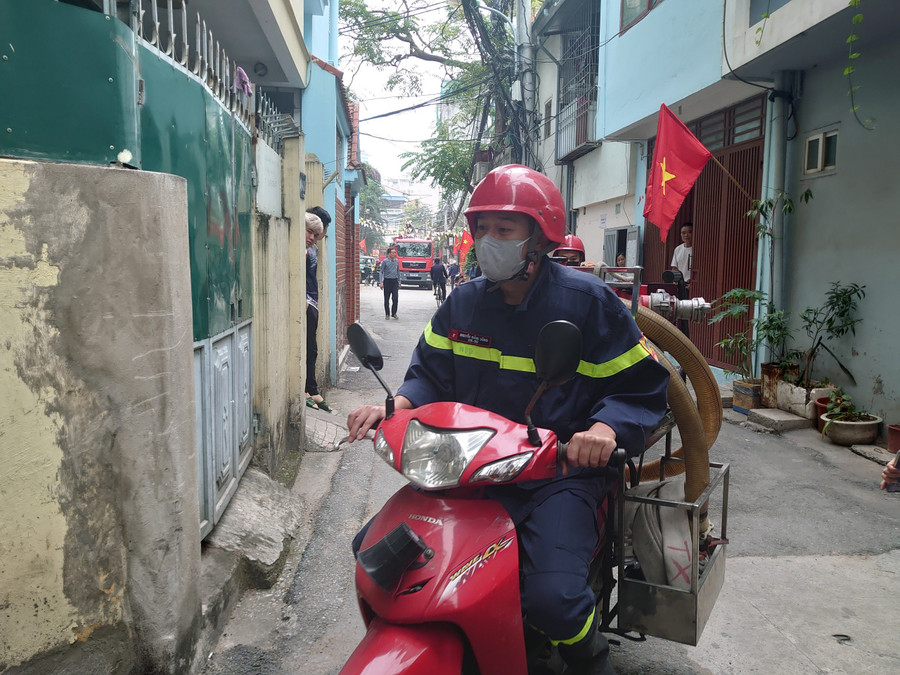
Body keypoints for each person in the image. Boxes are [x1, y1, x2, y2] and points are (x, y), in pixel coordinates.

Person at [348, 164, 669, 675]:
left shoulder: (588, 303)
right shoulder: (463, 304)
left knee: (553, 598)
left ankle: (592, 664)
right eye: (482, 229)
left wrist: (604, 430)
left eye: (505, 230)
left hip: (559, 474)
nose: (488, 241)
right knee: (375, 553)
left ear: (538, 240)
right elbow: (428, 374)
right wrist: (397, 405)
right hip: (470, 471)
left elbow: (644, 386)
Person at [304, 211, 331, 412]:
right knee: (307, 347)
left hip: (312, 302)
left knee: (312, 348)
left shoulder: (312, 249)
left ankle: (311, 388)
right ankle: (307, 389)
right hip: (306, 302)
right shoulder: (303, 250)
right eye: (309, 232)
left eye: (316, 233)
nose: (313, 237)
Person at [379, 246, 400, 319]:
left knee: (395, 298)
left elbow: (398, 271)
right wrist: (381, 282)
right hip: (387, 281)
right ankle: (387, 314)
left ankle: (394, 313)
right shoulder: (385, 262)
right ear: (389, 254)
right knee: (386, 298)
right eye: (393, 253)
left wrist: (399, 281)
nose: (394, 254)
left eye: (395, 253)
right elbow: (381, 272)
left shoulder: (397, 261)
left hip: (394, 281)